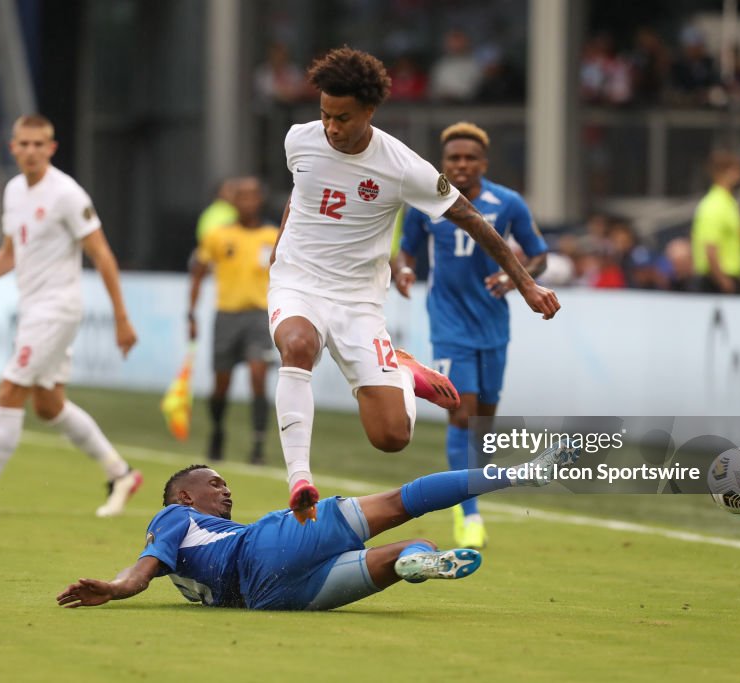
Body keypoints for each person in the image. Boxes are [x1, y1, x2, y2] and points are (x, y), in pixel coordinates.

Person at [269, 47, 560, 523]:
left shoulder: (403, 167)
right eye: (324, 114)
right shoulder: (299, 139)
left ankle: (404, 372)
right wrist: (281, 246)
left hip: (359, 299)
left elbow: (473, 219)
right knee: (297, 346)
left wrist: (525, 284)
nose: (331, 127)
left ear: (369, 110)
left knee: (391, 438)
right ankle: (300, 477)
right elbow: (302, 195)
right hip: (297, 282)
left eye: (342, 117)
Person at [56, 440, 583, 611]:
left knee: (407, 552)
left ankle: (419, 561)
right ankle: (519, 474)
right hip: (266, 549)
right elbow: (146, 566)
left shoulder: (190, 548)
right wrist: (122, 586)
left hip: (268, 597)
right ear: (184, 495)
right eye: (215, 484)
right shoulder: (173, 515)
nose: (226, 490)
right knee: (403, 501)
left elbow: (160, 566)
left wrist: (126, 586)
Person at [0, 114, 142, 517]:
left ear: (51, 148)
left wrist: (121, 316)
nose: (30, 151)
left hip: (57, 309)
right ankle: (120, 473)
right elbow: (11, 251)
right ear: (13, 147)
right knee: (48, 406)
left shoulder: (67, 194)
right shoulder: (14, 191)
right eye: (23, 144)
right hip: (33, 309)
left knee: (10, 389)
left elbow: (101, 254)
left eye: (39, 144)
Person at [394, 122, 548, 549]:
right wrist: (404, 269)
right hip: (448, 325)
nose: (461, 165)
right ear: (443, 164)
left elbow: (539, 255)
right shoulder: (426, 203)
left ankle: (471, 494)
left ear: (484, 162)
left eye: (469, 159)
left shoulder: (508, 203)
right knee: (461, 414)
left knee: (483, 423)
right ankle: (469, 513)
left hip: (492, 326)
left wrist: (516, 278)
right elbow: (404, 249)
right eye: (453, 159)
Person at [188, 177, 278, 465]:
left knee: (258, 376)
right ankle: (217, 432)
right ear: (233, 201)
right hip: (226, 316)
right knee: (221, 384)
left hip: (259, 317)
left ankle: (258, 445)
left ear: (260, 199)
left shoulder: (273, 236)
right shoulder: (218, 235)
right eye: (241, 196)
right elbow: (199, 270)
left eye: (252, 196)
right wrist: (190, 312)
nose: (247, 202)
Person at [691, 150, 740, 294]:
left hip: (727, 276)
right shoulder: (714, 205)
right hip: (715, 281)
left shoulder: (729, 202)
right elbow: (710, 245)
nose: (739, 175)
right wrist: (722, 280)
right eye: (735, 170)